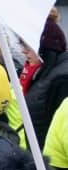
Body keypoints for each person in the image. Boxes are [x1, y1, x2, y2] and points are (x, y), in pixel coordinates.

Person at [21, 10, 68, 145]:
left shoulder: (62, 79)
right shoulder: (46, 73)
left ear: (42, 47)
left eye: (27, 45)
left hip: (52, 162)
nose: (23, 51)